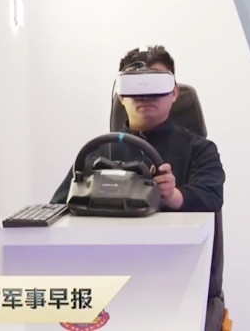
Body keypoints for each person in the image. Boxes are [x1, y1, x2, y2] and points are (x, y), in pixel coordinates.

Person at [49, 45, 228, 330]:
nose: (145, 96)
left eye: (155, 85)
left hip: (176, 284)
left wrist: (175, 196)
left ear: (174, 92)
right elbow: (59, 206)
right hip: (111, 285)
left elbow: (211, 197)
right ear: (121, 95)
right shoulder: (97, 152)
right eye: (135, 86)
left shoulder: (200, 149)